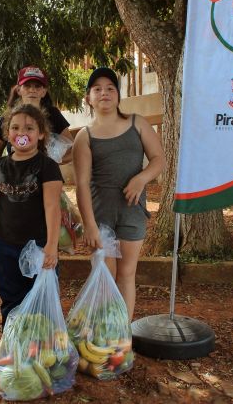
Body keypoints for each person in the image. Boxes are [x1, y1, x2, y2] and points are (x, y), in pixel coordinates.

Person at [72, 67, 165, 320]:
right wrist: (89, 225)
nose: (104, 93)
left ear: (118, 95)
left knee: (126, 275)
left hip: (132, 211)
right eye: (97, 89)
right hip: (100, 213)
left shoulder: (137, 123)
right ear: (88, 98)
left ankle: (123, 336)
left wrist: (141, 178)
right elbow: (81, 184)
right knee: (104, 276)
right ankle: (103, 335)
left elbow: (158, 159)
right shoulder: (85, 136)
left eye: (110, 88)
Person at [0, 104, 63, 326]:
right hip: (6, 246)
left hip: (39, 246)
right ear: (7, 134)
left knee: (39, 298)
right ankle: (12, 346)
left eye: (29, 128)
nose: (21, 133)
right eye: (15, 127)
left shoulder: (48, 166)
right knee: (10, 296)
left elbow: (53, 206)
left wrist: (52, 245)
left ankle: (39, 348)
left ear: (41, 134)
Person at [0, 66, 73, 164]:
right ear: (19, 90)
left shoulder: (53, 114)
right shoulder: (8, 117)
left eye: (37, 86)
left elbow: (72, 149)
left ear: (43, 92)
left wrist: (50, 166)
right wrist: (1, 173)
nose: (32, 90)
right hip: (16, 177)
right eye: (27, 85)